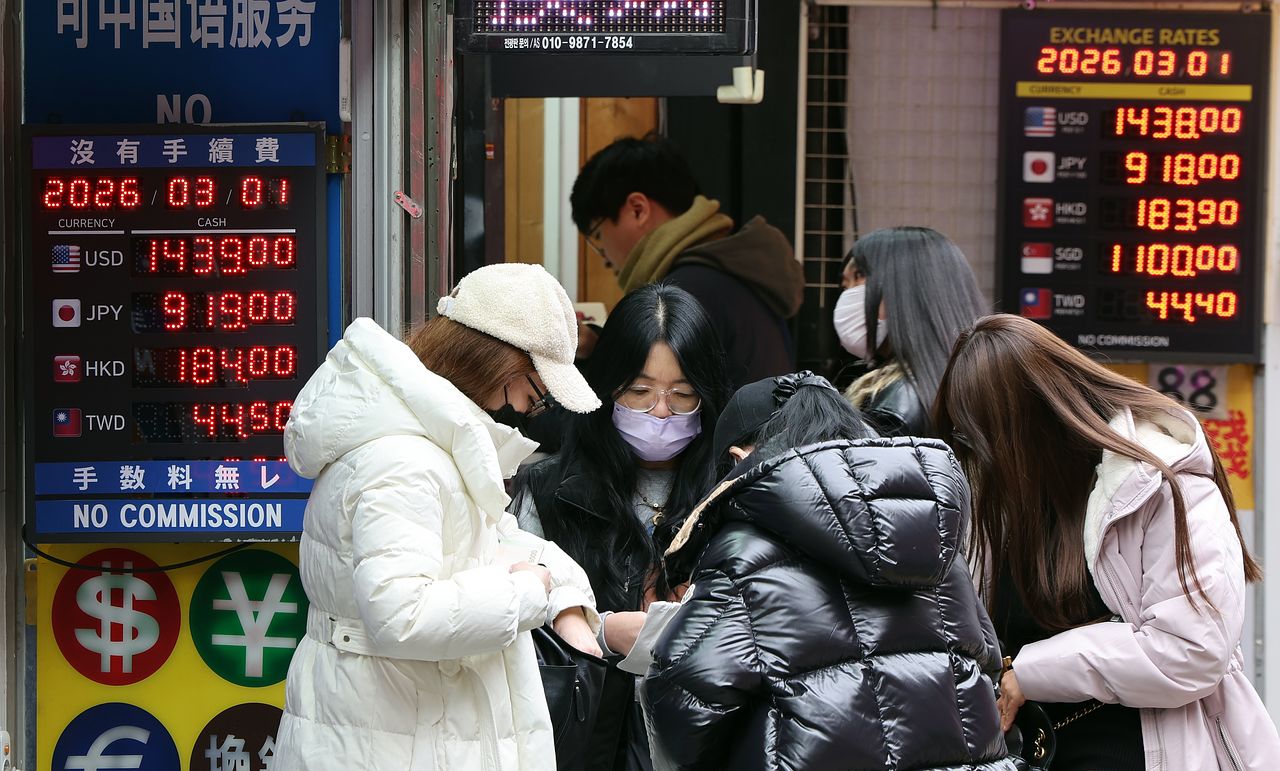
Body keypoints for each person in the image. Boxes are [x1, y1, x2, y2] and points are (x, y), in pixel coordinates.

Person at [274, 263, 607, 771]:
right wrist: (529, 594)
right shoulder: (406, 459)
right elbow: (402, 615)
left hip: (394, 724)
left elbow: (492, 541)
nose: (521, 407)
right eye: (533, 391)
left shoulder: (423, 441)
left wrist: (558, 588)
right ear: (496, 360)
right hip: (390, 733)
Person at [933, 314, 1280, 771]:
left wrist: (1030, 673)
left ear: (1025, 425)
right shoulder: (999, 504)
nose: (974, 455)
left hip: (1155, 752)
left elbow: (1193, 650)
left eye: (978, 437)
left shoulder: (1162, 484)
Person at [641, 371, 1014, 770]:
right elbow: (986, 676)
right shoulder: (933, 538)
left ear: (740, 459)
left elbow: (682, 702)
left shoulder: (745, 551)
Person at [510, 283, 732, 771]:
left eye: (683, 394)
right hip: (581, 743)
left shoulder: (735, 491)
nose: (660, 411)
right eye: (639, 391)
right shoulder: (550, 491)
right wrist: (600, 631)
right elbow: (509, 618)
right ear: (607, 388)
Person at [570, 135, 803, 388]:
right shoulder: (726, 272)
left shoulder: (687, 292)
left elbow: (648, 401)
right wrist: (595, 346)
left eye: (597, 235)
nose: (603, 257)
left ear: (638, 209)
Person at [834, 226, 986, 436]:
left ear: (908, 287)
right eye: (845, 285)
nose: (848, 295)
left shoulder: (895, 411)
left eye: (859, 276)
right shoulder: (978, 381)